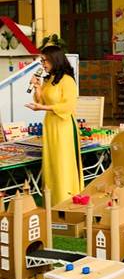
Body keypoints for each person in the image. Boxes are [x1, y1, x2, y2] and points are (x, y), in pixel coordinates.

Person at [25, 46, 83, 205]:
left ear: (54, 60)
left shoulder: (67, 80)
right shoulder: (48, 79)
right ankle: (53, 201)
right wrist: (37, 87)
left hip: (63, 126)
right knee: (51, 163)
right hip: (50, 124)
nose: (43, 64)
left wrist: (43, 108)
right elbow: (41, 101)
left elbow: (68, 106)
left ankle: (66, 200)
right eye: (41, 61)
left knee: (62, 162)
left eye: (45, 60)